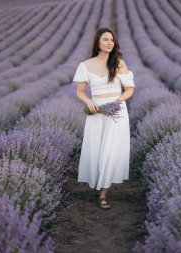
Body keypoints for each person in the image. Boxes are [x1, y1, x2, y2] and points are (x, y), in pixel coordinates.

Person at [72, 27, 135, 210]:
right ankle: (97, 183)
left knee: (110, 150)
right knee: (96, 149)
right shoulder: (86, 65)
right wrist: (88, 102)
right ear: (97, 42)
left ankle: (103, 195)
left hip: (116, 112)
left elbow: (129, 90)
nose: (110, 43)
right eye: (106, 39)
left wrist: (116, 102)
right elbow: (80, 92)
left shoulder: (119, 63)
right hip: (96, 112)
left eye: (112, 40)